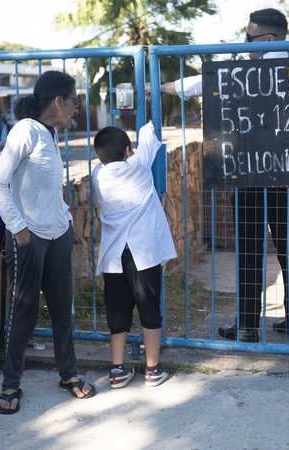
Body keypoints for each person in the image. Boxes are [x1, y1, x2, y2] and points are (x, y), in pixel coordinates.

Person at [147, 8, 289, 342]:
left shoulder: (249, 69)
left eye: (248, 37)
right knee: (288, 241)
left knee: (249, 246)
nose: (243, 43)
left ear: (269, 38)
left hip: (249, 170)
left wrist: (162, 87)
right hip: (287, 173)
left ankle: (248, 325)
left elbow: (202, 82)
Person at [0, 70, 96, 414]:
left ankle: (68, 373)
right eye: (75, 101)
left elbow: (47, 187)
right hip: (28, 237)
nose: (77, 109)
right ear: (58, 101)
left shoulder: (49, 133)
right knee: (24, 310)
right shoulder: (25, 131)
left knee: (63, 308)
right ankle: (10, 384)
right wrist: (17, 226)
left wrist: (65, 218)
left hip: (56, 235)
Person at [92, 123, 176, 388]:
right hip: (143, 256)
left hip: (113, 259)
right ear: (128, 151)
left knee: (117, 316)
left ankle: (117, 371)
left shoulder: (97, 175)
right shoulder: (139, 168)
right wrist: (148, 110)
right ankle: (152, 370)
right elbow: (149, 139)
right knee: (150, 310)